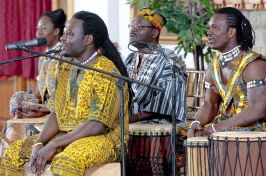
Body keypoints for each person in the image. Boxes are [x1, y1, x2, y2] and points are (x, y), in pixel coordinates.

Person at [0, 11, 130, 176]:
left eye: (69, 33)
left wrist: (54, 145)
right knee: (13, 153)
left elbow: (97, 124)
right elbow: (56, 113)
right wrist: (39, 143)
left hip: (105, 140)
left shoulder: (105, 71)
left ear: (88, 39)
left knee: (66, 161)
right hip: (67, 137)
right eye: (64, 33)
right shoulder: (65, 66)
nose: (62, 38)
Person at [186, 7, 266, 138]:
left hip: (251, 129)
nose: (209, 32)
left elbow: (257, 111)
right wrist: (196, 123)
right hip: (221, 125)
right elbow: (209, 105)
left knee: (216, 137)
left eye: (215, 28)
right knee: (180, 132)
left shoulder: (254, 65)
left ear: (231, 32)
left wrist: (214, 128)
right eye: (209, 27)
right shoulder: (214, 66)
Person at [124, 7, 187, 124]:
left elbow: (168, 102)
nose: (132, 30)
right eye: (131, 26)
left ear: (154, 33)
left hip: (156, 126)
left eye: (139, 26)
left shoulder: (168, 60)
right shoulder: (130, 58)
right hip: (127, 122)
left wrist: (134, 117)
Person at [10, 8, 66, 119]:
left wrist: (41, 112)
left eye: (43, 28)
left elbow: (65, 96)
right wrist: (27, 103)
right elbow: (40, 94)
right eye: (37, 28)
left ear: (56, 31)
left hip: (58, 114)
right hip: (44, 111)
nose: (38, 32)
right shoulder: (42, 58)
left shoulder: (65, 57)